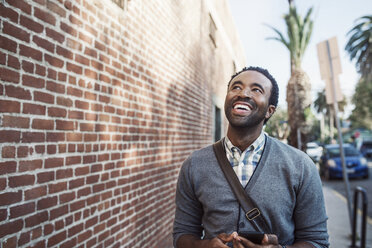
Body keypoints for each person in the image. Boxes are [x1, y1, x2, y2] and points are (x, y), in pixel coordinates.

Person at [173, 66, 329, 248]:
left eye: (256, 90)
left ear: (269, 111)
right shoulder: (194, 165)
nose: (243, 94)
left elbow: (317, 241)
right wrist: (205, 246)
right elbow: (182, 235)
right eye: (236, 87)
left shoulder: (300, 166)